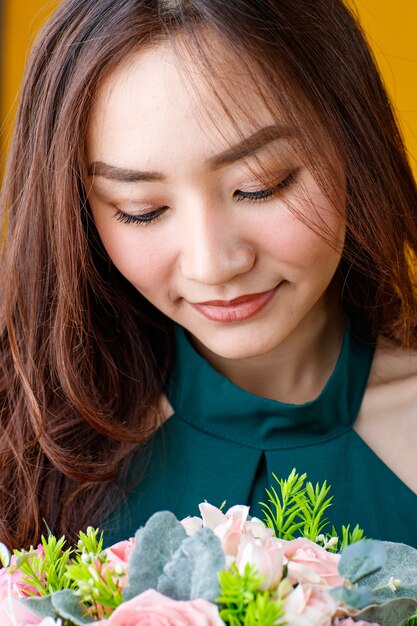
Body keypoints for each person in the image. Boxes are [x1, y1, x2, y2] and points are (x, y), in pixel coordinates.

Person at [1, 0, 417, 552]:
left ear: (350, 140)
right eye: (141, 209)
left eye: (261, 185)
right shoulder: (21, 446)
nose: (212, 266)